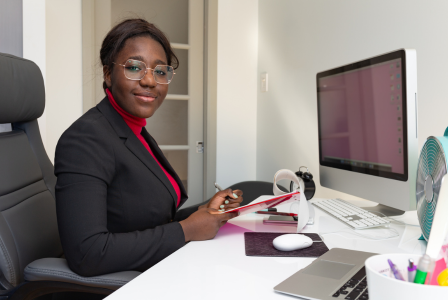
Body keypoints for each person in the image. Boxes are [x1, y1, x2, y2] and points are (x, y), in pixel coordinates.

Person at [54, 18, 243, 277]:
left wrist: (205, 212)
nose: (150, 81)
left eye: (160, 71)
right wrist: (187, 230)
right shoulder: (86, 138)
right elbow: (87, 253)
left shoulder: (133, 129)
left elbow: (148, 218)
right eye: (134, 67)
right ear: (108, 74)